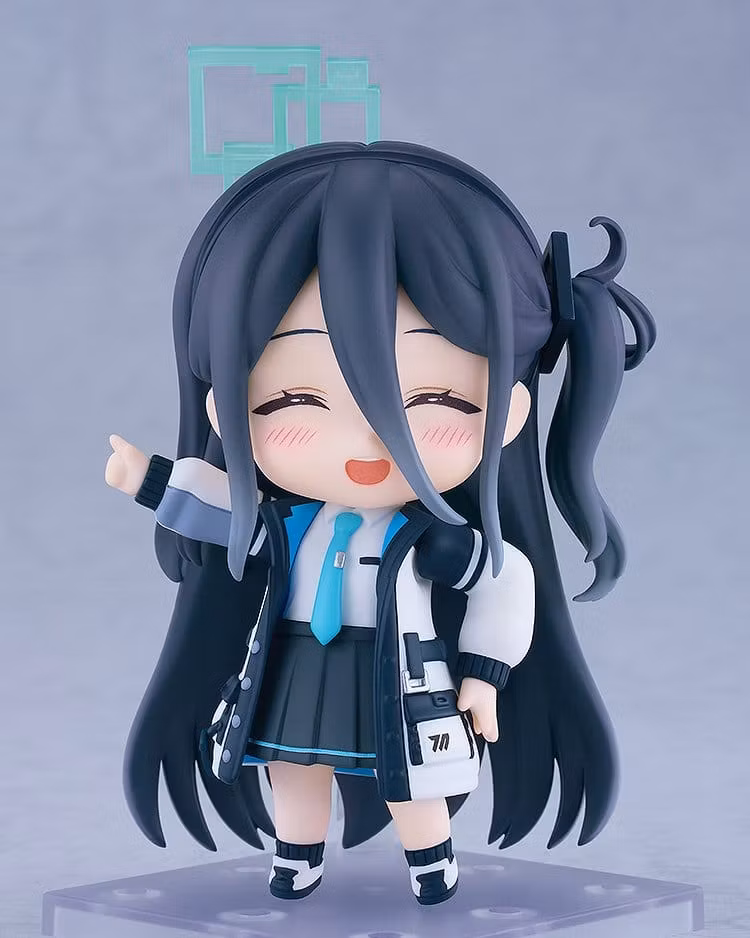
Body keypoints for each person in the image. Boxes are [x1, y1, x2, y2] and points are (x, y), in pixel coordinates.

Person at [105, 141, 656, 905]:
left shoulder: (433, 541)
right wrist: (149, 479)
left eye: (438, 401)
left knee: (413, 778)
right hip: (295, 663)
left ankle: (431, 860)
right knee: (291, 764)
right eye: (294, 400)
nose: (365, 441)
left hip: (401, 676)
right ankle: (296, 855)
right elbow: (220, 507)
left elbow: (504, 581)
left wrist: (486, 675)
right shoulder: (289, 527)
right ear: (225, 410)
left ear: (508, 414)